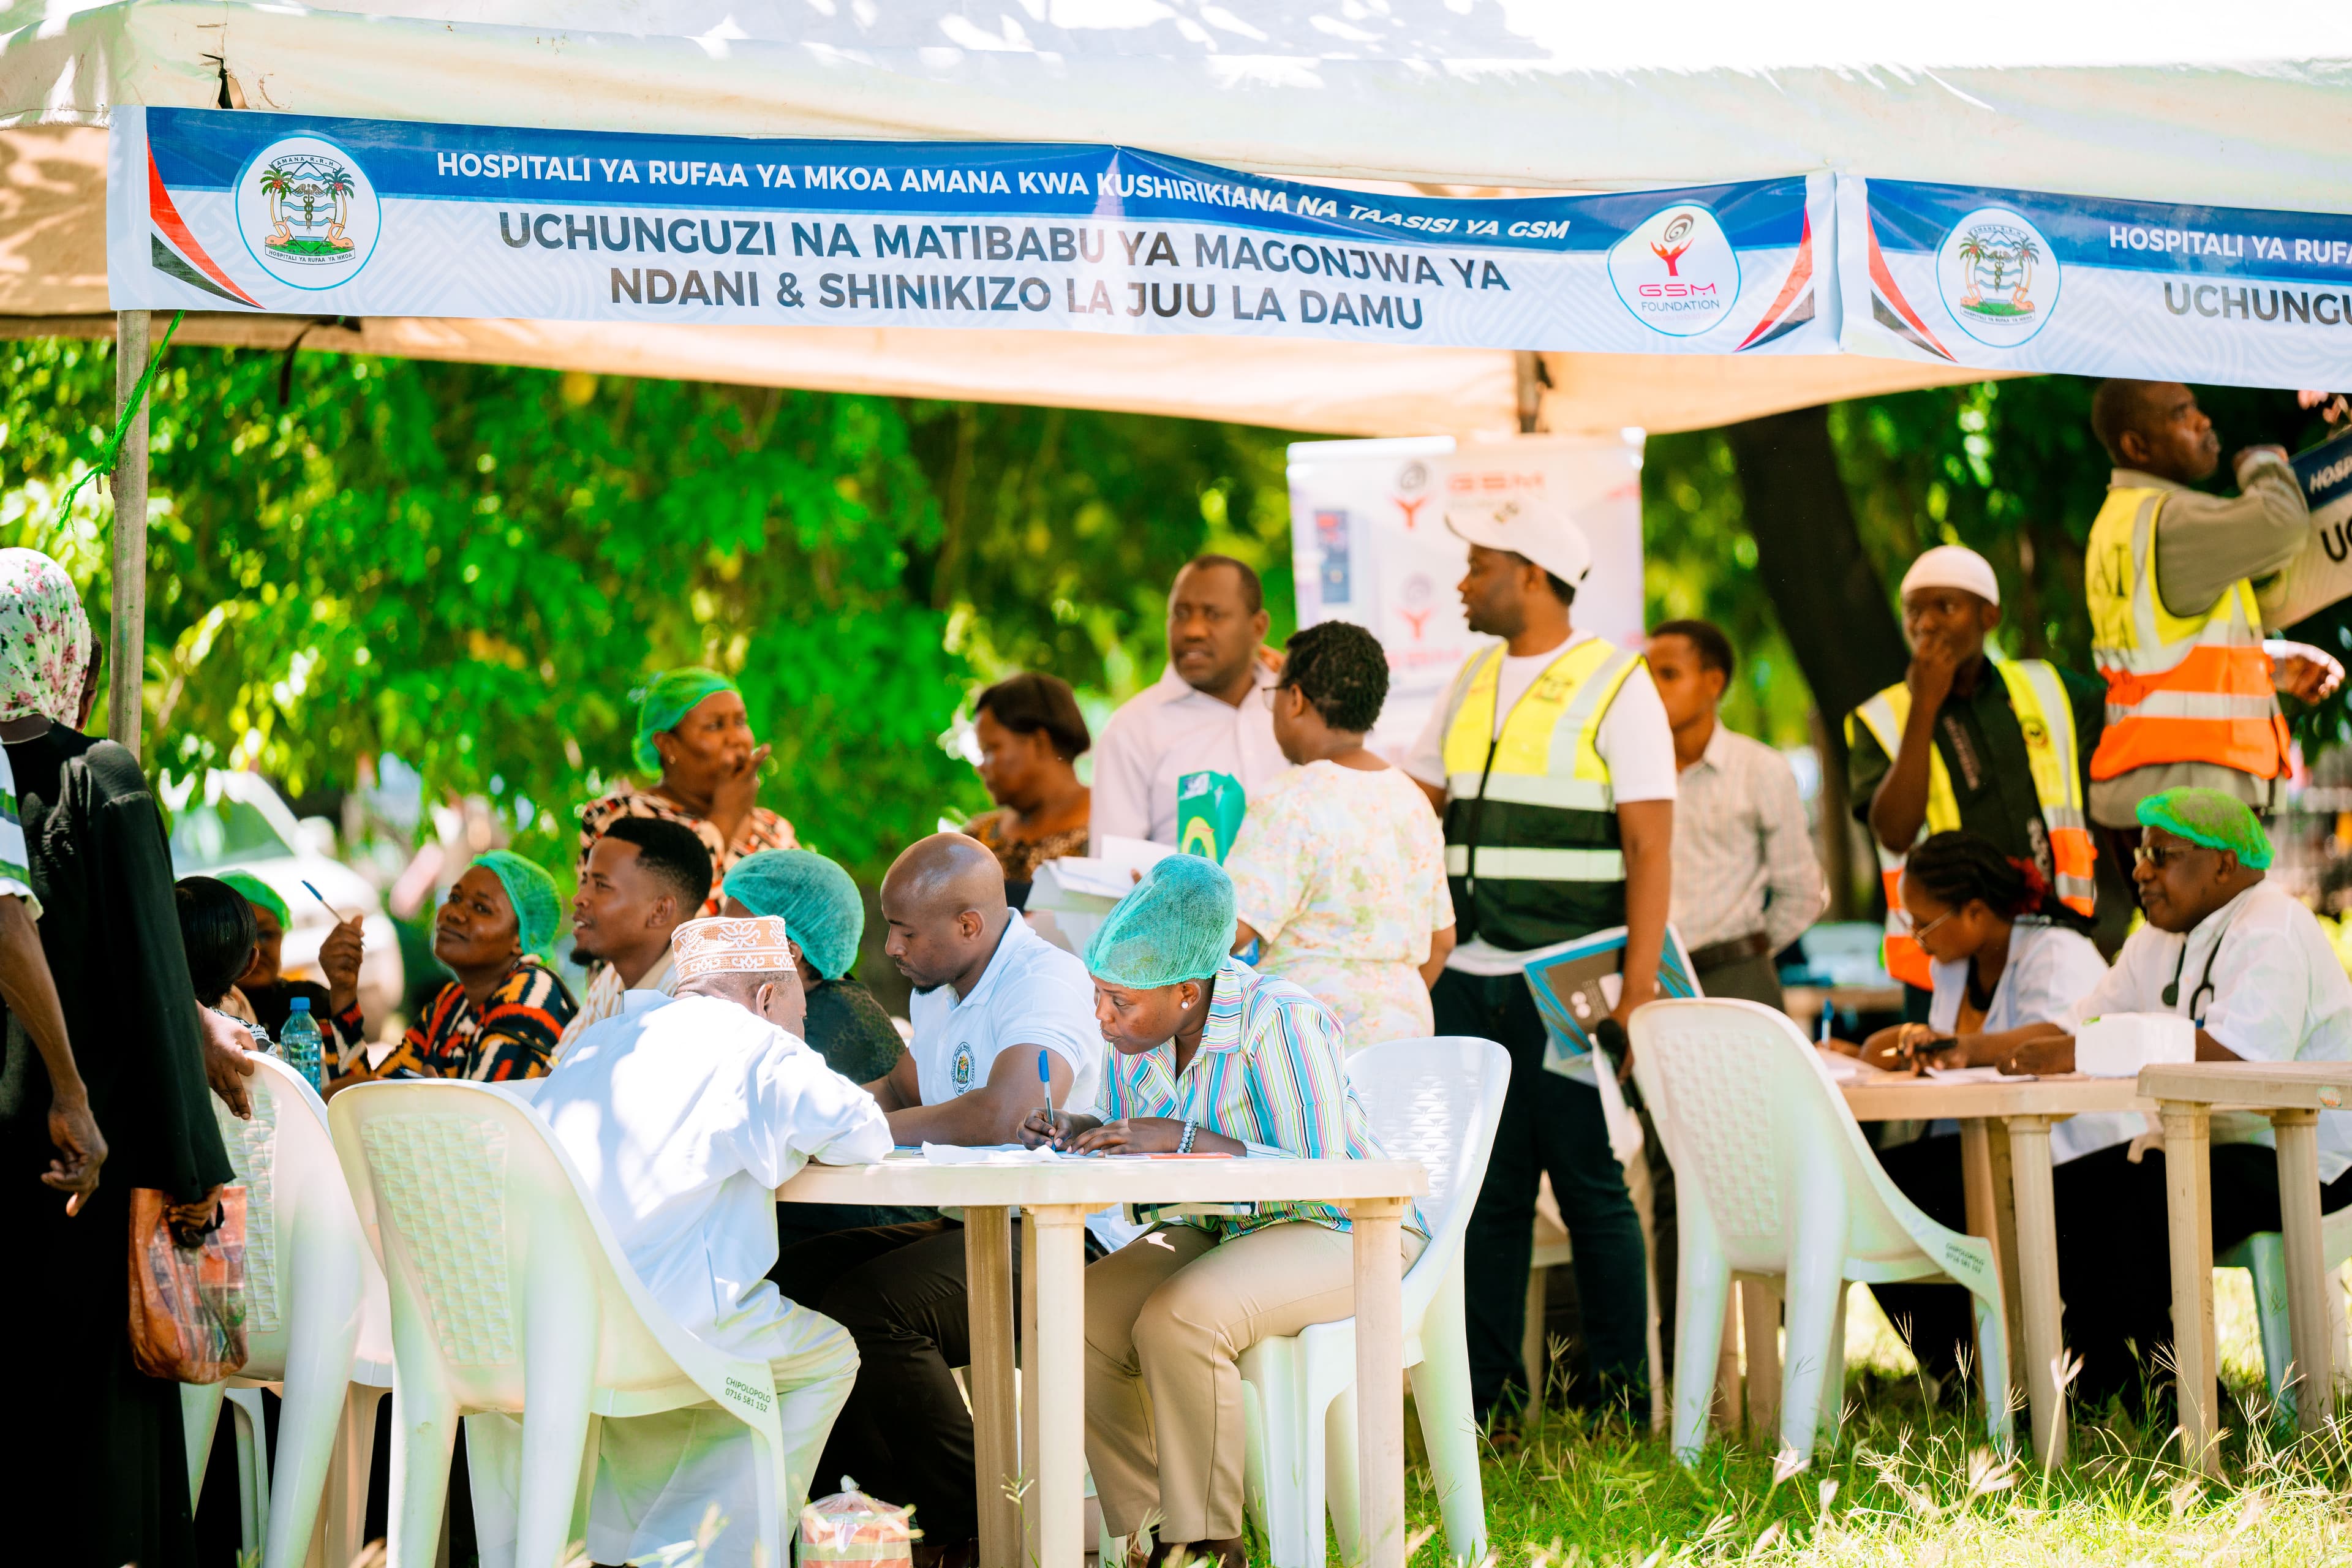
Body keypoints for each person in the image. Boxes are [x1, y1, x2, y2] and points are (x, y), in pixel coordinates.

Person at [1019, 855, 1426, 1568]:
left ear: (1186, 991)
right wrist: (1087, 1130)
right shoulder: (1136, 1038)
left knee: (1182, 1315)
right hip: (1221, 1226)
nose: (1102, 1016)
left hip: (1347, 1229)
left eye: (1120, 1000)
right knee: (1070, 1313)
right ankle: (1151, 1537)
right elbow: (1140, 1143)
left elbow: (1334, 1175)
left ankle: (1209, 1544)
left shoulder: (1283, 1020)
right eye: (1099, 994)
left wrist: (1188, 1139)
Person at [1401, 496, 1673, 1419]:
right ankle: (1488, 1406)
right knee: (1487, 1199)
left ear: (1529, 574)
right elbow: (1416, 801)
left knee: (1593, 1191)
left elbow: (1650, 847)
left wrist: (1636, 994)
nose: (1463, 584)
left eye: (1478, 565)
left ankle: (1620, 1401)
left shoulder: (1616, 683)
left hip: (1565, 985)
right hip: (1470, 984)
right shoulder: (1471, 678)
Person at [0, 548, 240, 1568]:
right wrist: (194, 1169)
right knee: (94, 1452)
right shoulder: (105, 778)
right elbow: (153, 970)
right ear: (72, 655)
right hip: (86, 1161)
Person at [769, 833, 1102, 1558]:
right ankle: (880, 1520)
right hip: (973, 1225)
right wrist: (811, 1124)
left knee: (869, 1310)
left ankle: (978, 1529)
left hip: (1062, 1235)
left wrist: (867, 1129)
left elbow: (1010, 1111)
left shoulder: (1043, 981)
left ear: (969, 926)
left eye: (905, 930)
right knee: (792, 1285)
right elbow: (901, 1086)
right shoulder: (943, 989)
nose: (889, 947)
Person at [523, 914, 891, 1568]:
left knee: (708, 1374)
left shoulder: (600, 1041)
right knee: (826, 1358)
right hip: (665, 1327)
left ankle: (641, 1547)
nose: (801, 1035)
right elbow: (865, 1130)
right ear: (767, 996)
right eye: (801, 1017)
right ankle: (721, 1553)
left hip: (549, 1323)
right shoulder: (755, 1043)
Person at [1963, 789, 2352, 1406]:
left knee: (2140, 1201)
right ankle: (2151, 1379)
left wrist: (2083, 1050)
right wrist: (1964, 1050)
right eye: (2141, 854)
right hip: (2198, 1144)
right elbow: (2075, 1028)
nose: (2141, 870)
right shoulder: (2158, 937)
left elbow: (2238, 1060)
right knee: (2058, 1194)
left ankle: (2132, 1378)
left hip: (2302, 1154)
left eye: (2161, 854)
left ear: (2224, 863)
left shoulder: (2272, 926)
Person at [1832, 833, 2113, 1387]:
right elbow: (1935, 1044)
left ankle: (2002, 1371)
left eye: (1925, 924)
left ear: (1977, 911)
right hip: (1982, 1148)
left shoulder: (2056, 952)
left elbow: (2059, 1037)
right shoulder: (1956, 964)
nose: (1916, 938)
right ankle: (1967, 1371)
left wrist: (1964, 1047)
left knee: (1887, 1189)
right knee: (1870, 1193)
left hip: (2072, 1156)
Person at [1845, 545, 2103, 1011]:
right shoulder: (1881, 718)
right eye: (1914, 612)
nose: (1925, 624)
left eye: (1945, 607)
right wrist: (1924, 704)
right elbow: (1894, 832)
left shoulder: (2047, 688)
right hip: (1944, 956)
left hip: (2049, 940)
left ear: (1989, 616)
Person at [2083, 380, 2342, 843]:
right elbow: (2282, 525)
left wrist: (2271, 667)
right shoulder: (2173, 521)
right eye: (2181, 414)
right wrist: (2263, 467)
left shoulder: (2122, 519)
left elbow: (2165, 659)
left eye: (2197, 408)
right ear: (2135, 446)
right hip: (2193, 800)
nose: (2203, 421)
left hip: (2159, 789)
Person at [1223, 619, 1453, 1045]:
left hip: (1310, 1046)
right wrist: (1386, 1010)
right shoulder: (1412, 799)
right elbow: (1442, 940)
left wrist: (1173, 906)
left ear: (1294, 699)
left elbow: (1231, 929)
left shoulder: (1291, 798)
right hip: (1407, 1039)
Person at [720, 847, 929, 1248]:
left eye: (734, 937)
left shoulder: (819, 1021)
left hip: (868, 1248)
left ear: (789, 954)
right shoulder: (815, 1005)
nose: (718, 952)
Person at [1646, 619, 1825, 1006]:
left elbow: (1803, 893)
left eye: (1669, 675)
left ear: (1713, 683)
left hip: (1736, 976)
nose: (1652, 689)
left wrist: (1745, 952)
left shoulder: (1762, 770)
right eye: (1645, 675)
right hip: (1645, 979)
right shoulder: (1631, 772)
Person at [330, 851, 576, 1090]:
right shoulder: (453, 1004)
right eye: (455, 898)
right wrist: (344, 990)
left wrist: (420, 1098)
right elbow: (357, 1100)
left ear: (520, 939)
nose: (454, 914)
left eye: (482, 909)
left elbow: (485, 1120)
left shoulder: (532, 995)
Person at [1090, 556, 1288, 850]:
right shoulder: (1131, 730)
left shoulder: (1298, 708)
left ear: (1258, 628)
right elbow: (1112, 866)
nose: (1193, 630)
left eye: (1213, 614)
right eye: (1180, 614)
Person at [579, 666, 797, 917]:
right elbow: (653, 920)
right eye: (715, 726)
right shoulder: (620, 818)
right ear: (667, 745)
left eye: (740, 722)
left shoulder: (774, 830)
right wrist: (725, 817)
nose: (736, 739)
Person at [557, 815, 713, 1053]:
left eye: (602, 886)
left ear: (660, 911)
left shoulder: (697, 994)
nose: (579, 899)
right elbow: (554, 1074)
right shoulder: (613, 978)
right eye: (585, 881)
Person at [960, 671, 1093, 902]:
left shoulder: (1112, 828)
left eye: (990, 750)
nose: (980, 768)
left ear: (1039, 743)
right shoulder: (976, 841)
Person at [216, 868, 366, 1055]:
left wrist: (344, 989)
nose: (256, 948)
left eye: (266, 935)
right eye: (241, 935)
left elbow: (351, 1075)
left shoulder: (311, 1004)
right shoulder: (200, 1013)